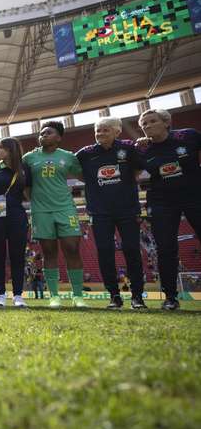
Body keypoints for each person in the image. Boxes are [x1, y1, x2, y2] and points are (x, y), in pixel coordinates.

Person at [75, 117, 146, 310]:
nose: (100, 134)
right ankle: (114, 296)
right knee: (105, 253)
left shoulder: (128, 148)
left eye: (105, 130)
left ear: (117, 131)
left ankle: (137, 296)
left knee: (132, 251)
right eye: (98, 130)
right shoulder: (85, 153)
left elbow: (140, 167)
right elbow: (74, 170)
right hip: (99, 212)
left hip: (127, 209)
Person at [136, 108, 201, 310]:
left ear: (166, 122)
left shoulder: (188, 136)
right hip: (162, 200)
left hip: (194, 194)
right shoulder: (142, 149)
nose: (147, 126)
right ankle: (170, 297)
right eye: (144, 124)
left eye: (152, 121)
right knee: (165, 248)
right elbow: (132, 173)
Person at [23, 120, 87, 308]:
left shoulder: (68, 157)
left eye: (48, 133)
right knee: (49, 253)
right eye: (42, 133)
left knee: (72, 250)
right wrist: (34, 200)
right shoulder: (29, 158)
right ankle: (54, 296)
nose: (43, 135)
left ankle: (77, 296)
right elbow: (22, 181)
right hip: (41, 211)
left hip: (65, 208)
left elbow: (84, 176)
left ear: (59, 137)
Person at [0, 137, 29, 307]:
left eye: (1, 148)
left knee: (17, 256)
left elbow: (28, 192)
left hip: (16, 214)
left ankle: (18, 295)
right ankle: (0, 295)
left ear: (11, 150)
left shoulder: (25, 169)